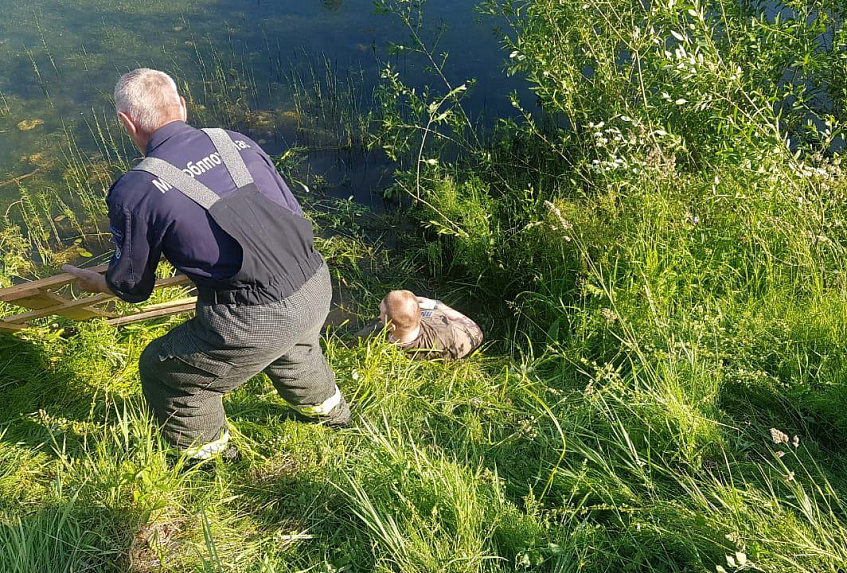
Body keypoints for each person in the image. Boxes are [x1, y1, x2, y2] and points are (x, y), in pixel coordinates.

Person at [63, 68, 350, 463]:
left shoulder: (135, 190)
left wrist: (99, 284)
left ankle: (209, 460)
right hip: (315, 282)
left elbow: (133, 287)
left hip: (254, 318)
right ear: (182, 105)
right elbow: (290, 214)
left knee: (168, 372)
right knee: (297, 345)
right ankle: (332, 415)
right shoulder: (236, 141)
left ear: (126, 123)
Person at [366, 289, 483, 360]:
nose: (378, 309)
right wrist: (438, 304)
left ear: (391, 326)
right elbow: (476, 333)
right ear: (420, 315)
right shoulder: (445, 334)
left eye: (380, 311)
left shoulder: (373, 338)